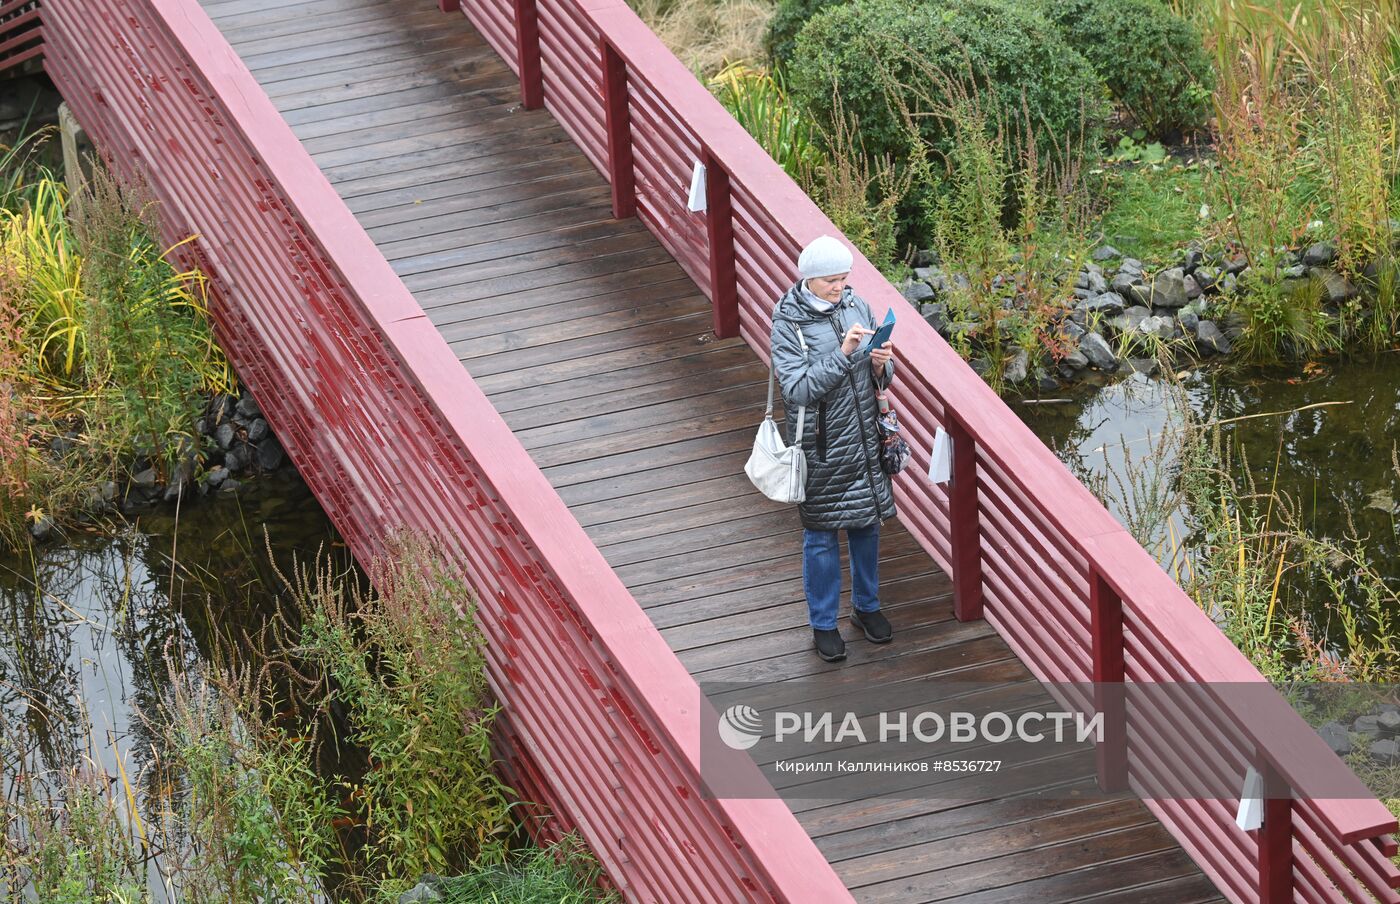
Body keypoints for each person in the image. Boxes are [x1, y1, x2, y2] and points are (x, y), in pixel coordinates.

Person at [769, 235, 897, 663]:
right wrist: (844, 355)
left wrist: (882, 362)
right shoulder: (789, 323)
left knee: (866, 526)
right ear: (809, 279)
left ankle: (867, 607)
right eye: (831, 281)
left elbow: (882, 375)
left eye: (844, 278)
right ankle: (823, 624)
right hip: (820, 447)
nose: (840, 287)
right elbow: (798, 389)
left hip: (862, 440)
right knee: (821, 537)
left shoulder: (856, 305)